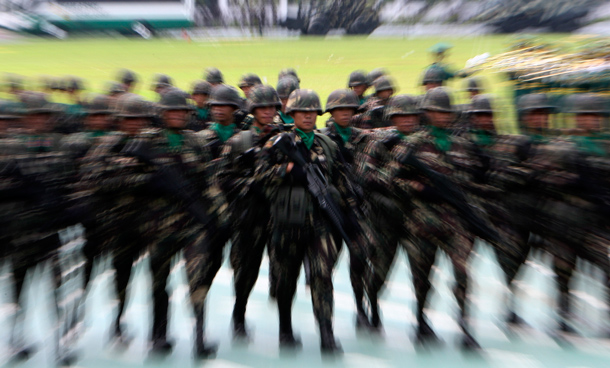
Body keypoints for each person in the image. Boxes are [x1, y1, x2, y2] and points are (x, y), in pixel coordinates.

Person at [255, 89, 362, 353]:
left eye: (312, 111)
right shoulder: (277, 142)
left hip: (321, 223)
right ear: (291, 114)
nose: (307, 116)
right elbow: (259, 176)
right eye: (302, 112)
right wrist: (289, 171)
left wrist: (350, 215)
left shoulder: (328, 144)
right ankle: (285, 329)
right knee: (285, 277)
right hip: (287, 221)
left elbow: (341, 181)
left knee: (322, 277)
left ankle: (326, 332)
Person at [217, 85, 285, 339]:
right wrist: (249, 184)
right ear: (253, 110)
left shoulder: (286, 138)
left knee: (283, 270)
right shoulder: (239, 141)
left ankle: (284, 323)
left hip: (279, 214)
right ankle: (239, 315)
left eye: (272, 107)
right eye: (262, 108)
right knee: (246, 270)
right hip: (249, 216)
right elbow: (223, 179)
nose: (268, 112)